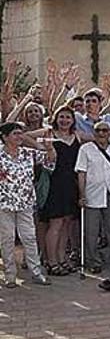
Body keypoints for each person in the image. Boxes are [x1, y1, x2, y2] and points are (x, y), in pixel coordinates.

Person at [0, 122, 56, 287]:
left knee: (30, 238)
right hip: (4, 204)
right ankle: (10, 276)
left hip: (25, 202)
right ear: (5, 137)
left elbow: (50, 160)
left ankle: (36, 272)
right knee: (7, 239)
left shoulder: (27, 153)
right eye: (15, 134)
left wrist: (49, 147)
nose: (19, 137)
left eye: (20, 133)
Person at [76, 120, 110, 274]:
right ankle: (93, 261)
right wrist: (82, 194)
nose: (101, 134)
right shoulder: (86, 149)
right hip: (92, 194)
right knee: (91, 231)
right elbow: (81, 173)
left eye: (105, 130)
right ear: (93, 132)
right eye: (98, 131)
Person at [41, 106, 80, 276]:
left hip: (72, 184)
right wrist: (44, 147)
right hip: (55, 184)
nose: (64, 120)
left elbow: (100, 135)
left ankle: (62, 258)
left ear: (73, 120)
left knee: (66, 224)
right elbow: (25, 136)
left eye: (68, 117)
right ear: (56, 118)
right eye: (61, 117)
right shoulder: (50, 134)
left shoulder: (77, 136)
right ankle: (51, 261)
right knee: (55, 224)